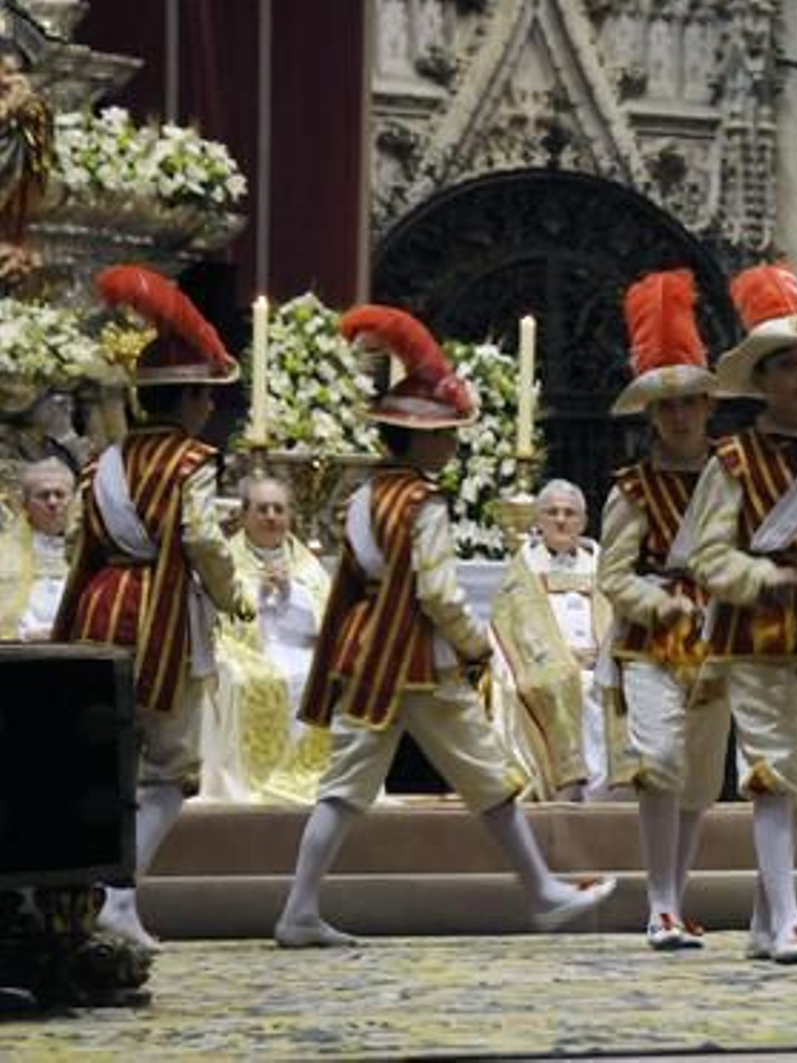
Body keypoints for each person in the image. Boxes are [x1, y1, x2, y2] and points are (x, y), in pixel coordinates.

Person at [273, 305, 615, 948]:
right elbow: (438, 592)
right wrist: (475, 644)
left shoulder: (364, 496)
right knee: (485, 773)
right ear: (421, 437)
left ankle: (301, 907)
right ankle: (540, 890)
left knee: (349, 788)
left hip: (364, 655)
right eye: (448, 434)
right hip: (418, 660)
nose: (454, 444)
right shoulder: (424, 503)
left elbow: (362, 577)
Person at [52, 264, 255, 950]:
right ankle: (116, 893)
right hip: (160, 618)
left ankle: (103, 898)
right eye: (207, 396)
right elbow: (200, 536)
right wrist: (234, 594)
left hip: (99, 613)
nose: (210, 409)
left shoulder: (100, 462)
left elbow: (82, 543)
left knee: (110, 765)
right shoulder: (192, 461)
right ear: (192, 396)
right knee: (171, 769)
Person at [687, 262, 797, 964]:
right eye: (786, 364)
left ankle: (766, 914)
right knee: (769, 767)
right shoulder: (730, 460)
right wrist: (769, 580)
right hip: (753, 632)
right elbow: (708, 556)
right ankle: (790, 914)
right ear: (760, 378)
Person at [597, 269, 732, 950]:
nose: (680, 416)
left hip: (719, 640)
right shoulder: (632, 489)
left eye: (690, 403)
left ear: (709, 406)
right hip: (653, 642)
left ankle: (678, 893)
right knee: (660, 760)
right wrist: (666, 605)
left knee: (702, 777)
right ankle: (658, 901)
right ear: (652, 414)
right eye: (667, 405)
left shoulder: (734, 478)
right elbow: (613, 575)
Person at [203, 475, 332, 804]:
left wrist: (290, 592)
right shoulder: (225, 561)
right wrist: (259, 594)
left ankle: (313, 773)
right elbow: (219, 617)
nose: (272, 517)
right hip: (246, 648)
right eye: (262, 509)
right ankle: (257, 778)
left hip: (302, 647)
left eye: (279, 509)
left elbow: (327, 617)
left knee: (326, 679)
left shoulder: (308, 564)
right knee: (255, 681)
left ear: (290, 516)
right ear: (244, 516)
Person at [489, 479, 613, 802]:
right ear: (538, 520)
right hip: (549, 667)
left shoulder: (603, 567)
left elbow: (619, 620)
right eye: (552, 512)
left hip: (601, 663)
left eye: (570, 513)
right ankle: (567, 784)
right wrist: (565, 658)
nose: (561, 520)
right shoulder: (524, 572)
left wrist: (602, 654)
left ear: (584, 522)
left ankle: (614, 793)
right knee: (564, 682)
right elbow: (510, 624)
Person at [0, 456, 75, 640]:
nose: (52, 502)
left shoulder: (88, 550)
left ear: (73, 500)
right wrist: (25, 633)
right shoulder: (4, 551)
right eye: (43, 495)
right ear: (25, 503)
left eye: (60, 494)